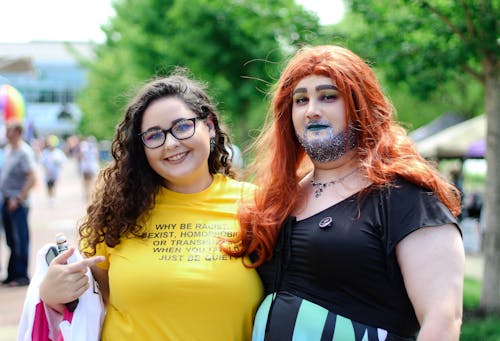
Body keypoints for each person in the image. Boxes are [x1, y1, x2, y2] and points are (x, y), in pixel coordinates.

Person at [225, 45, 464, 340]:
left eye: (328, 96)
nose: (312, 110)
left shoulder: (405, 198)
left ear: (360, 105)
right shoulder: (277, 200)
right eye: (301, 100)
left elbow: (443, 318)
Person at [38, 71, 263, 339]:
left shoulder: (256, 205)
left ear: (210, 126)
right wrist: (51, 295)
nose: (170, 144)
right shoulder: (119, 213)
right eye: (154, 135)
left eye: (182, 126)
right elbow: (90, 305)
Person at [0, 120, 37, 287]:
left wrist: (19, 198)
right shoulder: (9, 150)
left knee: (20, 238)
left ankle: (21, 275)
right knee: (10, 239)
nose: (6, 133)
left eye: (9, 130)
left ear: (18, 132)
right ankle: (12, 273)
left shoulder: (24, 152)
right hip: (6, 200)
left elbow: (32, 177)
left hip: (17, 202)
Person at [39, 134, 67, 205]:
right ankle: (50, 198)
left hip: (55, 173)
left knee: (54, 185)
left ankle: (53, 198)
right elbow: (42, 162)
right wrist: (45, 168)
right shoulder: (45, 152)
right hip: (48, 174)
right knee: (48, 186)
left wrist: (60, 165)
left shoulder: (58, 152)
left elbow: (63, 161)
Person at [78, 135, 100, 201]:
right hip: (92, 166)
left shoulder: (84, 146)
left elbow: (81, 156)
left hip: (86, 166)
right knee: (92, 181)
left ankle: (87, 194)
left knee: (86, 182)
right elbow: (97, 157)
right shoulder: (94, 148)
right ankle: (91, 194)